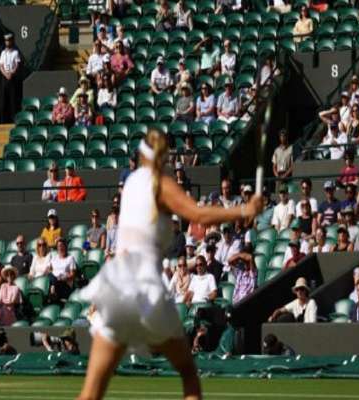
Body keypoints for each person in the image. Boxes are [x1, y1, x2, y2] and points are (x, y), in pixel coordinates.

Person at [76, 129, 264, 400]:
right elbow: (198, 213)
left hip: (116, 288)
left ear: (140, 155)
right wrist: (244, 209)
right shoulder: (159, 183)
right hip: (145, 290)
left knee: (90, 395)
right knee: (188, 373)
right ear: (164, 156)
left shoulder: (129, 184)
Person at [0, 33, 21, 123]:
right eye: (6, 41)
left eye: (9, 40)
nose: (7, 42)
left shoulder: (15, 52)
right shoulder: (3, 53)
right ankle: (4, 119)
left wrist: (12, 73)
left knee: (13, 98)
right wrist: (5, 74)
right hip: (5, 77)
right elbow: (1, 66)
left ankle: (13, 118)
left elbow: (17, 65)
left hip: (12, 77)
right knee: (4, 99)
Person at [49, 238, 76, 303]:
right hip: (55, 281)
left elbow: (73, 275)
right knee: (50, 277)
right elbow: (50, 270)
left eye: (62, 246)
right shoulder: (54, 258)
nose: (60, 248)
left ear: (65, 247)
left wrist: (65, 277)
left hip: (65, 283)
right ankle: (52, 292)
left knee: (55, 281)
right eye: (58, 246)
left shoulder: (70, 258)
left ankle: (52, 293)